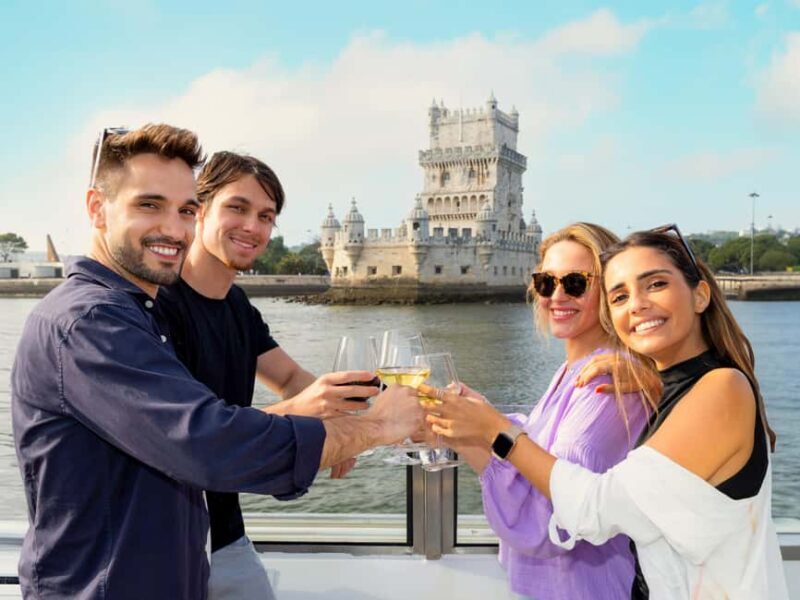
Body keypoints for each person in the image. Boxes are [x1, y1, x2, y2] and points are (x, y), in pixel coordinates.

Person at [11, 124, 422, 600]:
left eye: (183, 210)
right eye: (149, 204)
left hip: (178, 555)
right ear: (96, 209)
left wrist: (349, 413)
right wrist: (371, 429)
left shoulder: (146, 310)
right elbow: (207, 440)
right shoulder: (91, 320)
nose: (172, 226)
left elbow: (282, 381)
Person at [423, 225, 789, 599]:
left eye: (656, 284)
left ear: (700, 295)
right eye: (620, 296)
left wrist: (494, 430)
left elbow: (593, 510)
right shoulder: (671, 387)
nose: (637, 304)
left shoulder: (722, 388)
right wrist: (651, 381)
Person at [158, 150, 376, 599]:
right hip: (163, 537)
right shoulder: (159, 306)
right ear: (199, 210)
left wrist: (343, 422)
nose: (253, 227)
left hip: (226, 533)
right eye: (237, 208)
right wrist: (307, 418)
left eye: (266, 215)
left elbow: (292, 377)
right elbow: (196, 438)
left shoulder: (238, 307)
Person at [447, 223, 649, 599]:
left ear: (609, 290)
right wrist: (465, 426)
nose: (557, 296)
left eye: (575, 283)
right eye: (545, 283)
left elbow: (555, 516)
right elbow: (536, 453)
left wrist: (488, 428)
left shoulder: (608, 382)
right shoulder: (574, 369)